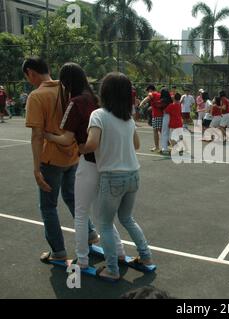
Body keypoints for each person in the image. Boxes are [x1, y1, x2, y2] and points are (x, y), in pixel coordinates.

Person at [44, 63, 126, 270]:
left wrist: (46, 135)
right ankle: (119, 252)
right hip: (105, 162)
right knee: (103, 215)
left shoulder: (75, 102)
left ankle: (81, 259)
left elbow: (66, 139)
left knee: (81, 213)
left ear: (65, 82)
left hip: (89, 163)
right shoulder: (94, 99)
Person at [23, 57, 98, 263]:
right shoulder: (66, 89)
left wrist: (36, 168)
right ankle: (90, 235)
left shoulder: (37, 96)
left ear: (31, 72)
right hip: (73, 156)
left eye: (28, 76)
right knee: (72, 197)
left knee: (48, 206)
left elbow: (37, 135)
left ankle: (58, 252)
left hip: (50, 160)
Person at [82, 72, 154, 282]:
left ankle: (112, 269)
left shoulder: (99, 115)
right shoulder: (128, 119)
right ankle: (146, 257)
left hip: (112, 177)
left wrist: (78, 147)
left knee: (104, 223)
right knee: (127, 218)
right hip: (133, 175)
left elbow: (92, 143)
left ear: (105, 92)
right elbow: (137, 145)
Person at [139, 85, 162, 152]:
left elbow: (147, 98)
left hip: (156, 115)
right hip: (161, 115)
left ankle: (157, 147)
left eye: (148, 91)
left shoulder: (152, 93)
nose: (148, 92)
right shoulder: (159, 94)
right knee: (161, 131)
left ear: (150, 90)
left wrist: (141, 104)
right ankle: (167, 144)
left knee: (155, 131)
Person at [160, 88, 175, 156]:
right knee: (169, 132)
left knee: (164, 132)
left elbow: (159, 106)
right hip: (171, 116)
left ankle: (164, 148)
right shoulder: (170, 100)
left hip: (166, 116)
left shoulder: (163, 100)